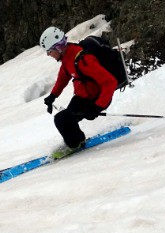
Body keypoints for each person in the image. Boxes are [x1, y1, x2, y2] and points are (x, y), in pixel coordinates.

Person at [39, 26, 118, 155]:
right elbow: (63, 77)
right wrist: (52, 96)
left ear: (58, 47)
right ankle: (78, 140)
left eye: (49, 51)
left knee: (61, 119)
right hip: (82, 96)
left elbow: (110, 82)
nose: (49, 54)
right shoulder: (67, 57)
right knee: (68, 119)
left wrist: (97, 107)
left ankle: (74, 145)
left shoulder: (83, 60)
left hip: (95, 99)